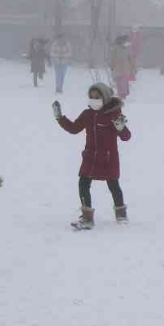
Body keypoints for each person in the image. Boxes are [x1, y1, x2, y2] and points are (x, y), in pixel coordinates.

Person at [54, 83, 131, 229]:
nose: (94, 100)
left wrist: (121, 126)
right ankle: (87, 217)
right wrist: (59, 117)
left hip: (108, 158)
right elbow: (73, 128)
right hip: (90, 156)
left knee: (113, 185)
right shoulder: (87, 114)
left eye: (97, 97)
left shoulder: (114, 115)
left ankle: (121, 214)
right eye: (91, 97)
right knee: (83, 183)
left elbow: (126, 137)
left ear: (105, 98)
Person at [109, 34, 137, 99]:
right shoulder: (115, 48)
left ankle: (123, 94)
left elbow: (131, 59)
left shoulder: (128, 49)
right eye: (127, 42)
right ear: (122, 41)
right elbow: (112, 58)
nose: (128, 43)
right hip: (117, 69)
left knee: (124, 82)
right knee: (119, 83)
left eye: (128, 42)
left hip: (125, 69)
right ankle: (121, 94)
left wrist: (134, 68)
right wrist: (112, 66)